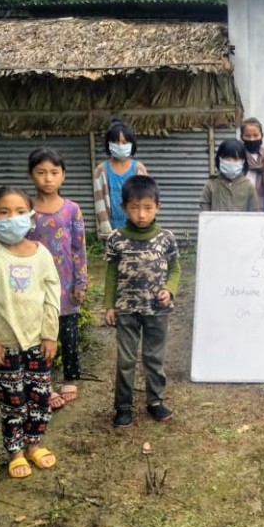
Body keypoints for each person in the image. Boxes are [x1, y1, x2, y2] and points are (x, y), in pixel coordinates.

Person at [0, 186, 61, 478]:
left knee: (38, 397)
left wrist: (50, 334)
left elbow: (52, 296)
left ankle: (34, 444)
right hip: (5, 345)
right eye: (4, 212)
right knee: (13, 401)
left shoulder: (42, 254)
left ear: (31, 215)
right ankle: (16, 451)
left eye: (20, 212)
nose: (13, 218)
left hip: (38, 342)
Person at [104, 175, 181, 428]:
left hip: (157, 310)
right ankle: (123, 406)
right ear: (124, 207)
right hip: (126, 309)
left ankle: (155, 401)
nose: (141, 214)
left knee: (153, 357)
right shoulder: (116, 238)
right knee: (126, 359)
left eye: (147, 207)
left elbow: (175, 270)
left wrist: (169, 290)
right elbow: (111, 273)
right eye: (135, 207)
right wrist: (109, 305)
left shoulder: (166, 238)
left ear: (158, 206)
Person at [26, 147, 88, 410]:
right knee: (40, 335)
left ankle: (71, 376)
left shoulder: (72, 210)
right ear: (32, 175)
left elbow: (79, 247)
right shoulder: (26, 210)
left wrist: (80, 282)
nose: (48, 178)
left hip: (65, 283)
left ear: (63, 176)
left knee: (69, 333)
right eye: (41, 172)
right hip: (35, 286)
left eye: (54, 172)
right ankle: (44, 381)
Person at [94, 119, 148, 239]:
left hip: (135, 229)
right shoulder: (101, 170)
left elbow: (146, 199)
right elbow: (99, 202)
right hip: (111, 230)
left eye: (124, 142)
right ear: (109, 144)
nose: (120, 146)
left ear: (131, 144)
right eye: (116, 142)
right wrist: (106, 230)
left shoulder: (139, 169)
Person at [200, 138, 259, 212]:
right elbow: (204, 212)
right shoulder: (211, 184)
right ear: (220, 159)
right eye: (227, 158)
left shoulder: (248, 186)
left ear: (243, 161)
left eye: (236, 159)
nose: (231, 162)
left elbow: (254, 213)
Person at [240, 118, 264, 199]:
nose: (252, 139)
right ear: (242, 137)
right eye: (248, 136)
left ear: (262, 135)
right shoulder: (238, 159)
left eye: (255, 135)